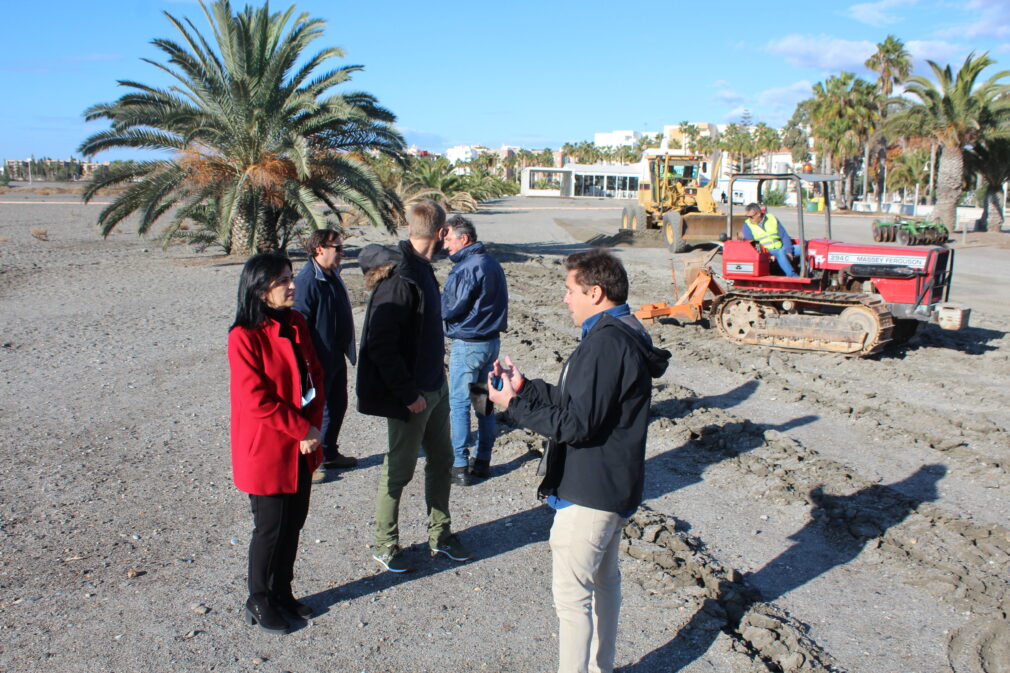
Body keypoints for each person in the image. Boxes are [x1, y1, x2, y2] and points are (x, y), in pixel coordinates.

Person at [487, 249, 671, 673]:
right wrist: (527, 388)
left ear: (595, 291)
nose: (565, 299)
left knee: (573, 600)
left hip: (590, 491)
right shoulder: (618, 331)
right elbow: (586, 405)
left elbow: (577, 424)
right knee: (604, 584)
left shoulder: (606, 344)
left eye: (570, 291)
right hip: (611, 486)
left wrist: (512, 404)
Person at [356, 200, 471, 573]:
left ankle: (441, 534)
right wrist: (408, 395)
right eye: (447, 235)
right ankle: (384, 543)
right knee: (398, 470)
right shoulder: (400, 278)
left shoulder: (422, 269)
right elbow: (380, 345)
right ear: (440, 234)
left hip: (434, 387)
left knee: (442, 461)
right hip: (414, 397)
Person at [228, 252, 325, 635]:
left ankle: (282, 592)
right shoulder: (243, 337)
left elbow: (314, 377)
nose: (291, 285)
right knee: (270, 527)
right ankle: (259, 598)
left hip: (301, 444)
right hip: (268, 448)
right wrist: (301, 430)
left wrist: (313, 428)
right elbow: (256, 399)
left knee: (294, 522)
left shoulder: (297, 323)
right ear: (259, 288)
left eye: (290, 277)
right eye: (282, 280)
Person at [441, 215, 508, 485]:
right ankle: (483, 460)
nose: (445, 246)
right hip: (490, 343)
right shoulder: (491, 263)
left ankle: (459, 465)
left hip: (469, 344)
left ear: (464, 238)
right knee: (484, 402)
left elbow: (452, 306)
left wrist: (435, 305)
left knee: (459, 403)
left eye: (448, 239)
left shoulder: (468, 267)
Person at [294, 227, 358, 483]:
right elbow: (300, 323)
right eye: (337, 248)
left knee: (337, 405)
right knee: (313, 411)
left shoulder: (331, 275)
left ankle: (329, 452)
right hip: (317, 360)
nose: (342, 253)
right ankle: (309, 463)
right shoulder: (307, 281)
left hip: (335, 356)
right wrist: (308, 362)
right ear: (319, 248)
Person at [741, 202, 800, 277]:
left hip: (781, 247)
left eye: (751, 217)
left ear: (758, 214)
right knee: (780, 252)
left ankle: (809, 272)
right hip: (767, 251)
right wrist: (765, 256)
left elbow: (784, 235)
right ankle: (794, 276)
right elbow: (752, 243)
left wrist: (789, 251)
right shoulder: (747, 226)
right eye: (747, 217)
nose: (749, 219)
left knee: (803, 249)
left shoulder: (771, 218)